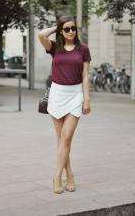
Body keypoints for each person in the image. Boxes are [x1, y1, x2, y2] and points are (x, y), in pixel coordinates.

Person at [38, 15, 91, 194]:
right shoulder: (55, 48)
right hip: (57, 94)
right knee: (61, 139)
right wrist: (57, 26)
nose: (71, 31)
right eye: (67, 29)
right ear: (61, 30)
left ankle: (56, 175)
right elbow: (40, 35)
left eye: (73, 28)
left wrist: (87, 99)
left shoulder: (83, 49)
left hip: (75, 95)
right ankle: (70, 175)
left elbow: (85, 75)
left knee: (66, 137)